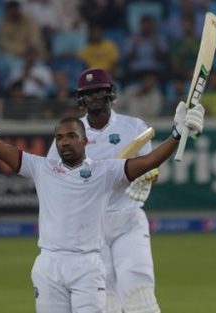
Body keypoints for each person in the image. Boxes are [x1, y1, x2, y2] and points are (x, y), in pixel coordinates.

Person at [0, 66, 205, 313]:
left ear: (84, 140)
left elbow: (150, 161)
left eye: (71, 137)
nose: (64, 141)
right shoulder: (44, 167)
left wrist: (177, 134)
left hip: (93, 256)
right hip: (49, 262)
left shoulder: (103, 170)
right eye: (60, 137)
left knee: (138, 296)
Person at [48, 68, 161, 313]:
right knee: (104, 299)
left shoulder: (134, 127)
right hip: (89, 227)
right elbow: (53, 179)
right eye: (88, 93)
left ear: (110, 93)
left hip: (127, 218)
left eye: (99, 91)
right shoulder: (70, 134)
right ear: (81, 98)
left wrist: (148, 177)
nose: (94, 96)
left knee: (137, 289)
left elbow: (149, 168)